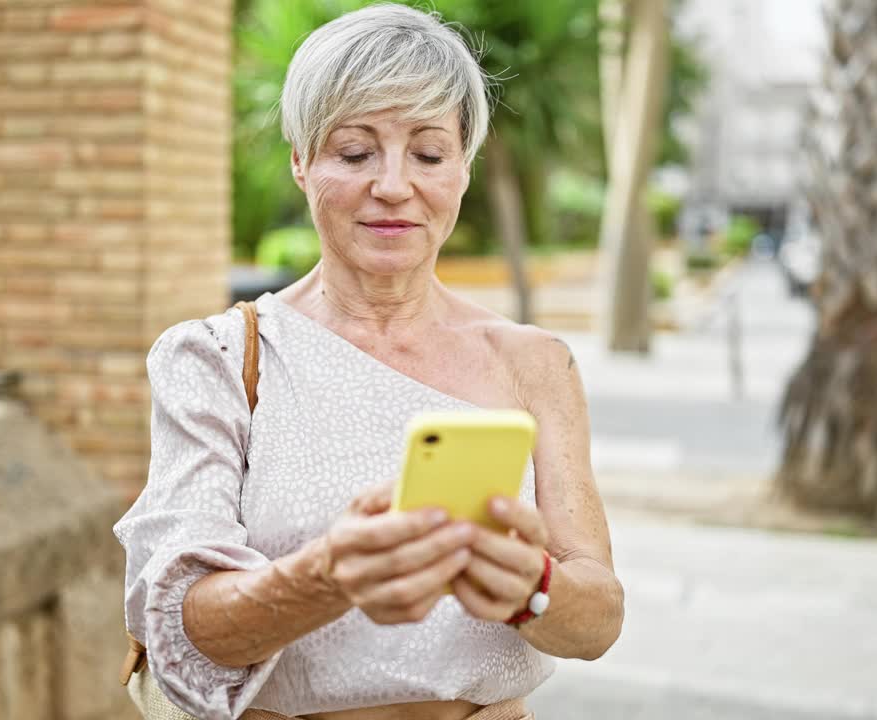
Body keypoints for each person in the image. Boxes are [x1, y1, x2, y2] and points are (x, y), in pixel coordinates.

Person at [114, 5, 624, 719]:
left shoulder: (535, 364)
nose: (392, 185)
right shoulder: (218, 359)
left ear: (464, 170)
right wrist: (329, 575)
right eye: (354, 152)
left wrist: (532, 586)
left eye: (428, 153)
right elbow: (186, 628)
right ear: (300, 163)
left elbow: (598, 618)